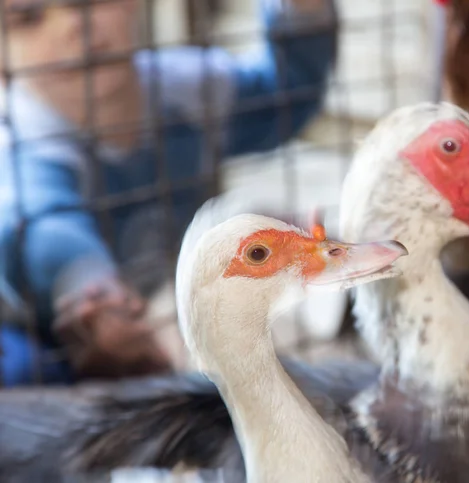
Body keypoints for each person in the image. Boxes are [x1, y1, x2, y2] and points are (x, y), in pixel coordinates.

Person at [0, 0, 338, 385]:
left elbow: (285, 95)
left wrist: (301, 10)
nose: (74, 26)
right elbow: (44, 225)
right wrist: (93, 296)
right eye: (26, 19)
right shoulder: (19, 138)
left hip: (161, 313)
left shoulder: (182, 87)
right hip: (43, 337)